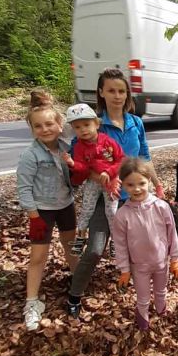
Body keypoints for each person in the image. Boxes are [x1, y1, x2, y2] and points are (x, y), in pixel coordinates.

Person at [66, 68, 165, 318]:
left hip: (134, 197)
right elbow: (80, 164)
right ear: (101, 92)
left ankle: (132, 282)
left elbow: (144, 156)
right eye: (111, 90)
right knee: (96, 249)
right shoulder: (92, 125)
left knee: (138, 243)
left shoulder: (135, 122)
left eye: (121, 91)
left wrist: (157, 184)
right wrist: (105, 179)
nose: (117, 96)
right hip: (105, 197)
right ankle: (74, 295)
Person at [16, 90, 78, 331]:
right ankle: (31, 302)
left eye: (50, 123)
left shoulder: (66, 146)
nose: (45, 129)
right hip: (41, 211)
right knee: (38, 256)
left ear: (59, 124)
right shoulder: (30, 155)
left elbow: (76, 127)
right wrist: (33, 217)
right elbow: (24, 188)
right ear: (32, 130)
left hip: (65, 205)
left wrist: (56, 113)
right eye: (38, 126)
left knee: (71, 245)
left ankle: (77, 281)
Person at [113, 158, 178, 331]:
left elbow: (172, 233)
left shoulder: (161, 207)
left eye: (141, 183)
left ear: (149, 181)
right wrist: (124, 270)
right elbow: (120, 244)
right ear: (123, 185)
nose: (136, 189)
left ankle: (161, 310)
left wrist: (175, 259)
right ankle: (143, 317)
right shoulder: (122, 215)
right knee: (143, 297)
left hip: (161, 262)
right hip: (139, 266)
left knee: (161, 291)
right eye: (130, 184)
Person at [61, 103, 124, 257]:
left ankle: (116, 241)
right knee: (86, 209)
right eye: (77, 127)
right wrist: (73, 164)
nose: (83, 129)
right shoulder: (79, 147)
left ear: (96, 124)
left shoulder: (108, 141)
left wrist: (109, 172)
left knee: (112, 211)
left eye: (87, 124)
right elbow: (83, 168)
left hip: (111, 182)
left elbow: (121, 159)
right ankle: (81, 237)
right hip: (92, 183)